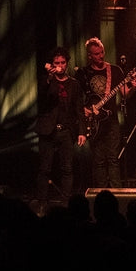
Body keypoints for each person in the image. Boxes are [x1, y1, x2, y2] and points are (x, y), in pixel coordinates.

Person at [75, 37, 136, 188]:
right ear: (89, 56)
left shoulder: (115, 70)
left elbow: (124, 93)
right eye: (96, 54)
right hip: (93, 121)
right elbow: (77, 97)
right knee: (98, 160)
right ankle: (101, 193)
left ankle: (116, 193)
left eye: (102, 52)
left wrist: (134, 87)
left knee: (113, 158)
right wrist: (84, 110)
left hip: (111, 121)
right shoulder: (84, 73)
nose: (101, 56)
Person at [35, 47, 87, 215]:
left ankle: (66, 203)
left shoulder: (74, 84)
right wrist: (49, 78)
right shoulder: (47, 81)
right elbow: (42, 97)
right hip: (48, 131)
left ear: (67, 63)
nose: (60, 65)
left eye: (63, 62)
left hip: (66, 131)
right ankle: (42, 203)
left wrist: (82, 131)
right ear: (52, 64)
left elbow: (79, 109)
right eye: (56, 63)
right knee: (45, 169)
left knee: (67, 169)